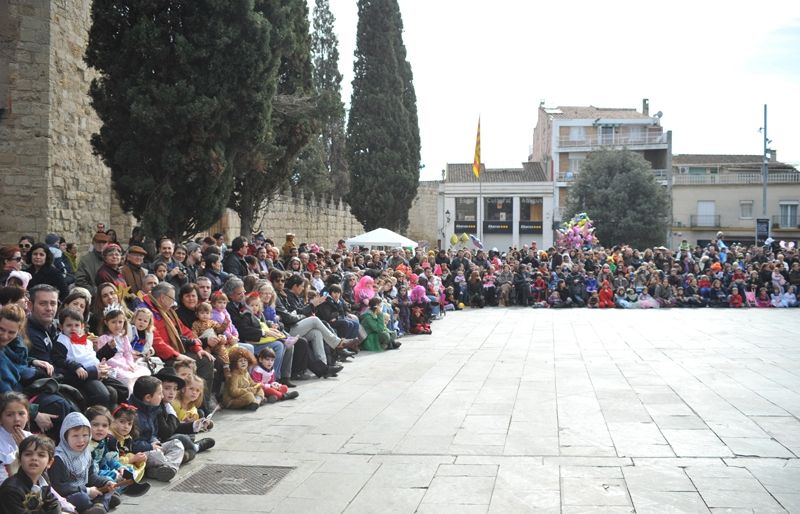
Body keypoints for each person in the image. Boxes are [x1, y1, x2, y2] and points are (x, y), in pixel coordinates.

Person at [54, 308, 128, 409]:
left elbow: (93, 357)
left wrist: (108, 349)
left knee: (122, 389)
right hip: (85, 376)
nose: (73, 328)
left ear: (82, 326)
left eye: (76, 325)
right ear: (61, 327)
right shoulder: (61, 341)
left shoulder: (87, 341)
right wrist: (75, 366)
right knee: (103, 395)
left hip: (99, 370)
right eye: (69, 325)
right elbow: (58, 360)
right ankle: (100, 418)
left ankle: (117, 414)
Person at [50, 412, 119, 514]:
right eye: (75, 436)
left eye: (85, 435)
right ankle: (99, 504)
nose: (81, 440)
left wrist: (105, 482)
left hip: (87, 490)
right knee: (82, 499)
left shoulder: (86, 452)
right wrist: (87, 491)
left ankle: (98, 506)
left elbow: (91, 476)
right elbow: (60, 487)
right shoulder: (59, 458)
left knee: (108, 486)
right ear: (65, 436)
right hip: (68, 495)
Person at [126, 376, 185, 482]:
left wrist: (154, 441)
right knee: (158, 456)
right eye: (160, 393)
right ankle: (168, 467)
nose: (162, 396)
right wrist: (150, 446)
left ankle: (159, 470)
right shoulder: (131, 414)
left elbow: (154, 432)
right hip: (139, 453)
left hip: (153, 446)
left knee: (177, 444)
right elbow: (130, 444)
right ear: (148, 397)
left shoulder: (154, 408)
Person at [0, 434, 69, 514]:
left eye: (41, 455)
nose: (34, 458)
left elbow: (53, 504)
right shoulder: (11, 489)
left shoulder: (43, 480)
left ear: (50, 462)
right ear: (19, 460)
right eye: (28, 454)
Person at [93, 305, 151, 394]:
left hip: (126, 365)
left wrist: (130, 363)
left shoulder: (123, 337)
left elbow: (128, 353)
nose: (117, 325)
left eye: (120, 322)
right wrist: (124, 366)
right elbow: (107, 359)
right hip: (114, 367)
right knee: (127, 379)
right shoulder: (104, 338)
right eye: (113, 322)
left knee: (146, 372)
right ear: (106, 322)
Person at [74, 232, 110, 297]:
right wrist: (95, 292)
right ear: (93, 243)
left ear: (107, 244)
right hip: (94, 297)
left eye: (104, 243)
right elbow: (80, 280)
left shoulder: (112, 258)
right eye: (98, 243)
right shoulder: (85, 260)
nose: (101, 245)